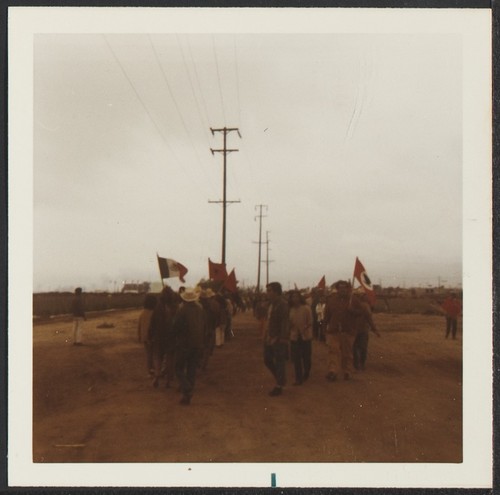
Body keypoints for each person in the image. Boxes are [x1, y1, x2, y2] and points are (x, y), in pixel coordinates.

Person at [173, 287, 206, 405]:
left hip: (184, 344)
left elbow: (176, 327)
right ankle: (187, 396)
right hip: (197, 343)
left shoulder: (182, 310)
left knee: (178, 368)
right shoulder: (200, 309)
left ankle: (186, 388)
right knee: (191, 369)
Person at [324, 280, 357, 381]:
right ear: (337, 289)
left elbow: (362, 313)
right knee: (333, 351)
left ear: (348, 289)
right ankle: (332, 371)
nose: (342, 290)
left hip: (348, 331)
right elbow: (327, 316)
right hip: (334, 331)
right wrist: (324, 327)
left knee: (347, 353)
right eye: (340, 288)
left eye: (344, 287)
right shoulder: (331, 300)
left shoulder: (353, 300)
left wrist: (353, 311)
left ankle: (348, 372)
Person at [149, 286, 179, 388]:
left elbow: (152, 323)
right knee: (170, 359)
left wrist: (150, 335)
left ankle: (157, 377)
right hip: (171, 337)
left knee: (157, 358)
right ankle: (168, 381)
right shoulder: (175, 307)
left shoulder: (157, 307)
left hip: (159, 337)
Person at [263, 282, 290, 397]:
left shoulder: (282, 304)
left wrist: (281, 337)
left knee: (279, 362)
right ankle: (281, 379)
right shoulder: (271, 304)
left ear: (276, 291)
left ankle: (279, 385)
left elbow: (285, 323)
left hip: (278, 339)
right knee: (267, 359)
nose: (267, 293)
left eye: (269, 290)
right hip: (269, 337)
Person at [351, 290, 380, 371]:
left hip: (362, 330)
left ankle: (360, 363)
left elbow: (369, 319)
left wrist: (375, 330)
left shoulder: (365, 306)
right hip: (354, 330)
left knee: (361, 348)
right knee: (356, 348)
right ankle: (357, 364)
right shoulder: (350, 305)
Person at [288, 290, 313, 385]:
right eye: (293, 297)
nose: (295, 299)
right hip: (294, 337)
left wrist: (304, 328)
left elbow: (310, 322)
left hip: (305, 337)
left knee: (306, 358)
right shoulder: (290, 310)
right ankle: (298, 378)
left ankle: (306, 372)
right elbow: (288, 323)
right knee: (296, 359)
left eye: (296, 297)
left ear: (300, 298)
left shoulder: (306, 308)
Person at [137, 294, 157, 375]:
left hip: (144, 336)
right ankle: (156, 370)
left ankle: (150, 370)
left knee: (149, 354)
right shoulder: (155, 313)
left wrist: (139, 336)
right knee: (155, 354)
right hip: (152, 336)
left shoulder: (142, 313)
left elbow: (139, 325)